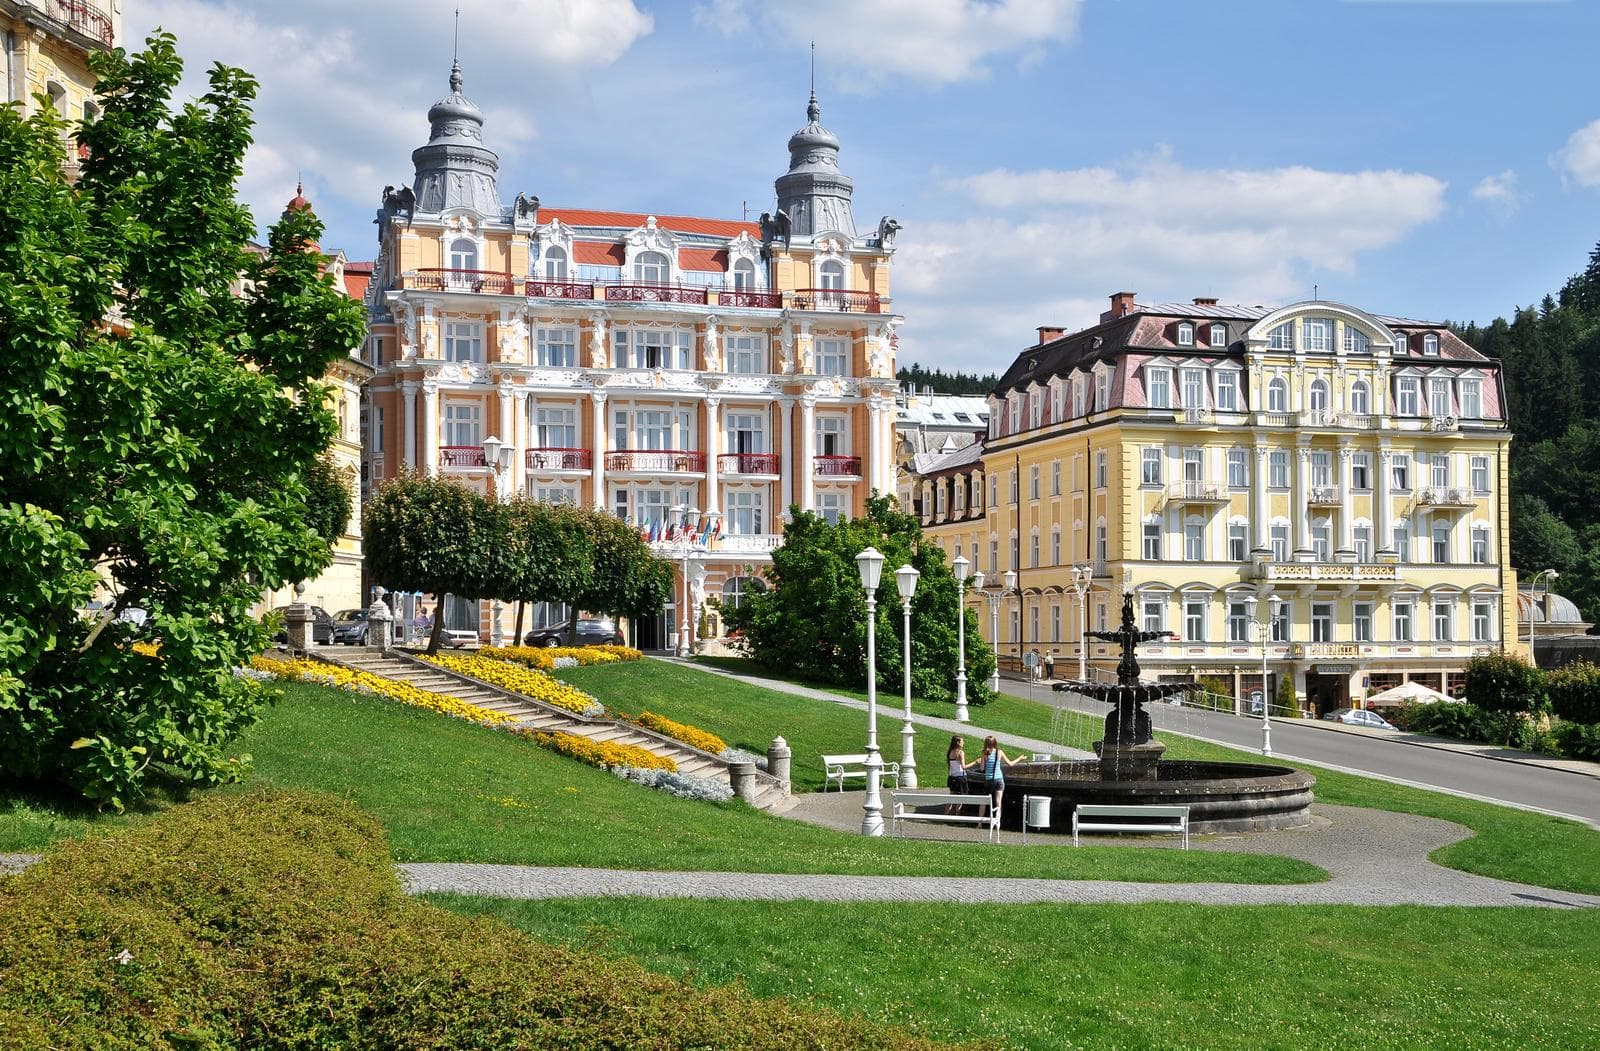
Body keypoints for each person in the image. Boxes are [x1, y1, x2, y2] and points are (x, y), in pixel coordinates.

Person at [970, 734, 1022, 811]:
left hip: (989, 779)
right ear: (995, 743)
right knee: (998, 802)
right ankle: (998, 821)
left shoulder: (984, 753)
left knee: (984, 801)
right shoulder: (999, 752)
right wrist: (1020, 758)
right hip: (999, 779)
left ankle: (979, 822)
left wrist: (979, 762)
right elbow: (1010, 764)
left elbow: (981, 769)